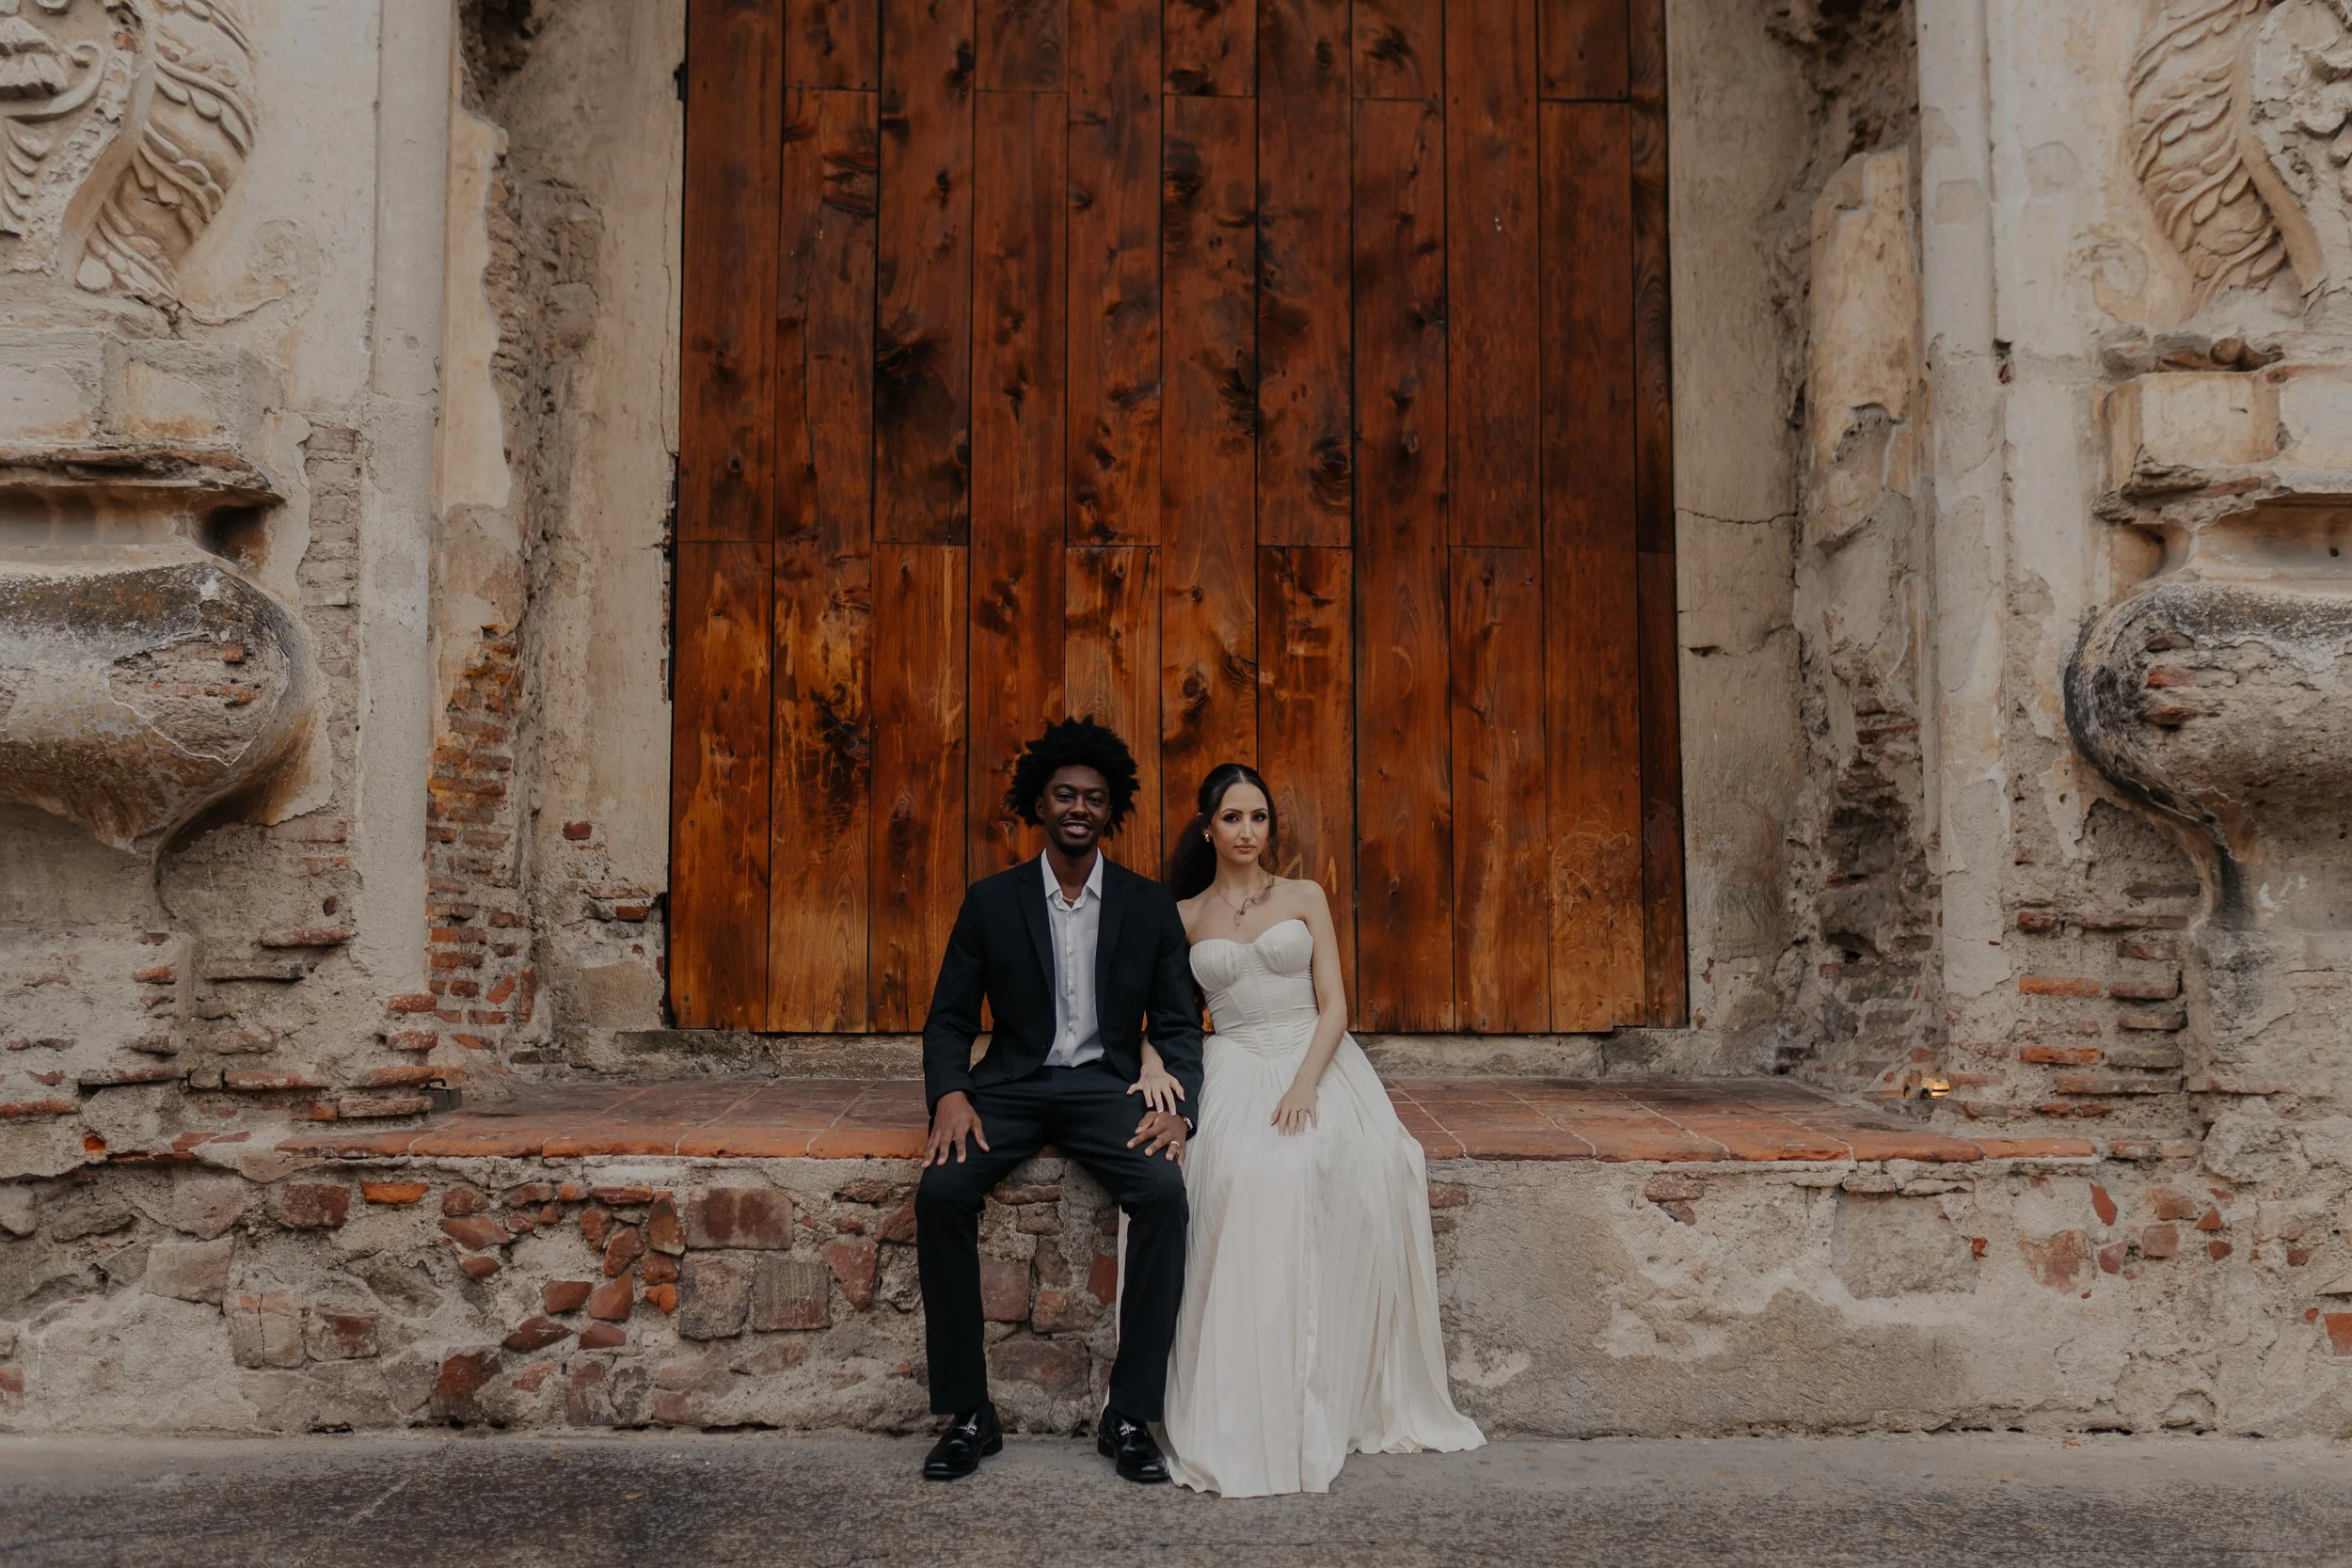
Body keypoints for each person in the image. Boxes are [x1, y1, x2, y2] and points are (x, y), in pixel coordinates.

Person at [1139, 762, 1485, 1497]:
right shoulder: (1183, 914)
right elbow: (1164, 1015)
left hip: (1312, 1054)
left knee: (1320, 1161)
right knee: (1233, 1171)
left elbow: (1334, 1004)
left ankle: (1314, 1381)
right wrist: (1151, 1063)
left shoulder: (1304, 896)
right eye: (1232, 817)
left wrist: (1303, 1081)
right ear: (1208, 827)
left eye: (1259, 817)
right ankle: (1241, 1389)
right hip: (1229, 1058)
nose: (1246, 831)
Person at [914, 718, 1203, 1484]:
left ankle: (1128, 1413)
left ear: (1112, 811)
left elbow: (1178, 1024)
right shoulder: (990, 901)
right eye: (1065, 795)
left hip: (1106, 1088)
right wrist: (949, 1092)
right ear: (1039, 804)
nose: (1079, 807)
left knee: (1165, 1193)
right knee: (941, 1188)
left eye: (1095, 798)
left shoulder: (1148, 906)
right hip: (1010, 1085)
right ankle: (971, 1411)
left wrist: (1182, 1108)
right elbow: (948, 1019)